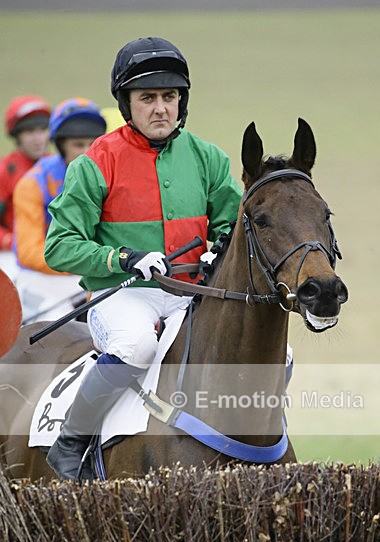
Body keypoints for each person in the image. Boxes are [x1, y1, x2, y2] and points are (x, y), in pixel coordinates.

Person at [44, 36, 242, 480]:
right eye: (147, 98)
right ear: (127, 104)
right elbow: (58, 246)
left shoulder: (209, 158)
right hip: (121, 295)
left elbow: (232, 224)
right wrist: (123, 258)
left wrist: (219, 248)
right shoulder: (95, 163)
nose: (160, 109)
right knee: (137, 345)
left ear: (181, 102)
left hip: (189, 293)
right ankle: (72, 443)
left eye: (169, 97)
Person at [13, 97, 107, 322]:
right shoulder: (32, 184)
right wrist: (83, 263)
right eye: (77, 144)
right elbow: (28, 253)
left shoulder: (110, 178)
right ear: (61, 145)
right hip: (42, 277)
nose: (86, 152)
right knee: (59, 324)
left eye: (92, 144)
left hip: (91, 271)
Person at [0, 95, 51, 282]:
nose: (38, 139)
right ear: (16, 135)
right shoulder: (4, 171)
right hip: (13, 255)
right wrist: (12, 241)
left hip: (52, 253)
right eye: (29, 132)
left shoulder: (60, 166)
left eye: (43, 130)